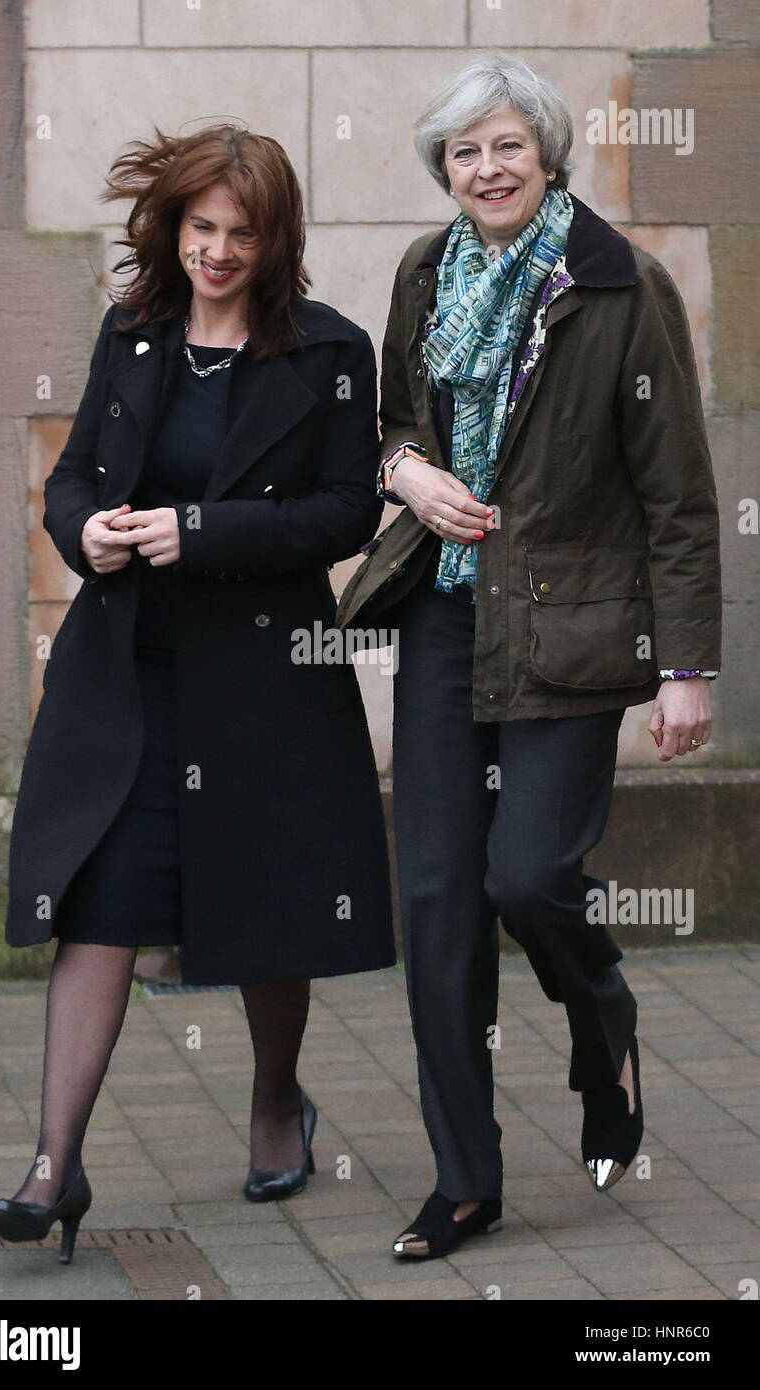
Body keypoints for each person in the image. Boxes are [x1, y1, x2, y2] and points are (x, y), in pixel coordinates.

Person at [336, 56, 721, 1261]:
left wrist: (687, 669)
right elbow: (393, 420)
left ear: (545, 152)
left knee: (528, 879)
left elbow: (680, 501)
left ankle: (603, 1021)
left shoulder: (621, 287)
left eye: (506, 145)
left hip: (572, 626)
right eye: (464, 152)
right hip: (448, 620)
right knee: (442, 904)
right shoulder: (422, 271)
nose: (486, 169)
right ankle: (464, 1183)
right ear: (443, 171)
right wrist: (409, 473)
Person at [0, 123, 395, 1263]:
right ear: (175, 228)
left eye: (241, 233)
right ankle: (51, 1162)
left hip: (264, 677)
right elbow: (70, 479)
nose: (217, 251)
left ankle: (275, 1103)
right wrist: (91, 533)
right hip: (127, 672)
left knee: (262, 907)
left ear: (276, 241)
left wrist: (199, 530)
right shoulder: (132, 334)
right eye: (201, 227)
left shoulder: (330, 351)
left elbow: (344, 513)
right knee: (101, 898)